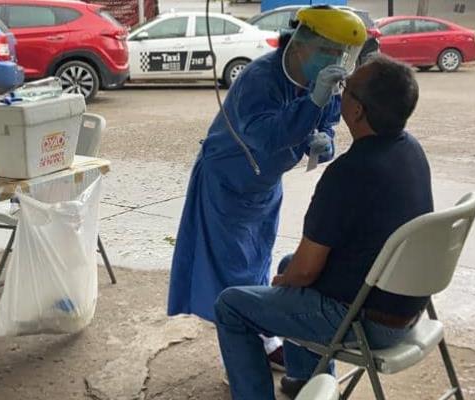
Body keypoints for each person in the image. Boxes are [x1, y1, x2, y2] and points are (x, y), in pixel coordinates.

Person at [213, 54, 428, 399]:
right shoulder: (409, 149)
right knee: (287, 263)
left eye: (346, 88)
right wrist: (291, 276)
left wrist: (286, 283)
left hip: (367, 322)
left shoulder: (348, 173)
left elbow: (306, 271)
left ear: (356, 111)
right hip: (405, 306)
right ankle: (307, 382)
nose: (339, 93)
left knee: (231, 304)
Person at [167, 6, 368, 366]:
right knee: (232, 274)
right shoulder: (260, 79)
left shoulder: (325, 81)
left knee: (259, 264)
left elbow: (327, 127)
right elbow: (267, 136)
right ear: (303, 44)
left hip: (265, 187)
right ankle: (245, 354)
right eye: (329, 49)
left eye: (342, 53)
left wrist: (322, 143)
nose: (336, 60)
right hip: (229, 183)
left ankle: (263, 337)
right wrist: (312, 103)